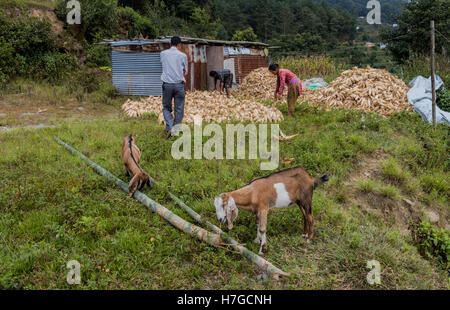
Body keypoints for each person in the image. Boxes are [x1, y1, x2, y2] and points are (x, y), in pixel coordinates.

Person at [160, 36, 188, 139]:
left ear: (170, 43)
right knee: (179, 108)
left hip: (167, 84)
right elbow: (186, 71)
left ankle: (170, 128)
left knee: (166, 107)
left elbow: (163, 65)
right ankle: (176, 130)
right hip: (179, 85)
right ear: (179, 44)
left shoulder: (163, 54)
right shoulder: (183, 56)